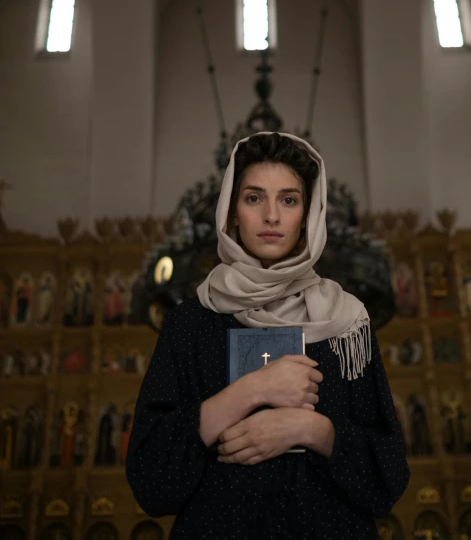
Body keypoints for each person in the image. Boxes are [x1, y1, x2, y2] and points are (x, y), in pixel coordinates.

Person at [126, 132, 410, 539]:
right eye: (254, 198)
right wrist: (250, 391)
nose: (272, 216)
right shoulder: (190, 322)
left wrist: (308, 429)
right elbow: (152, 484)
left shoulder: (347, 323)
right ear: (232, 213)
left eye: (289, 200)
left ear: (309, 215)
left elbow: (387, 480)